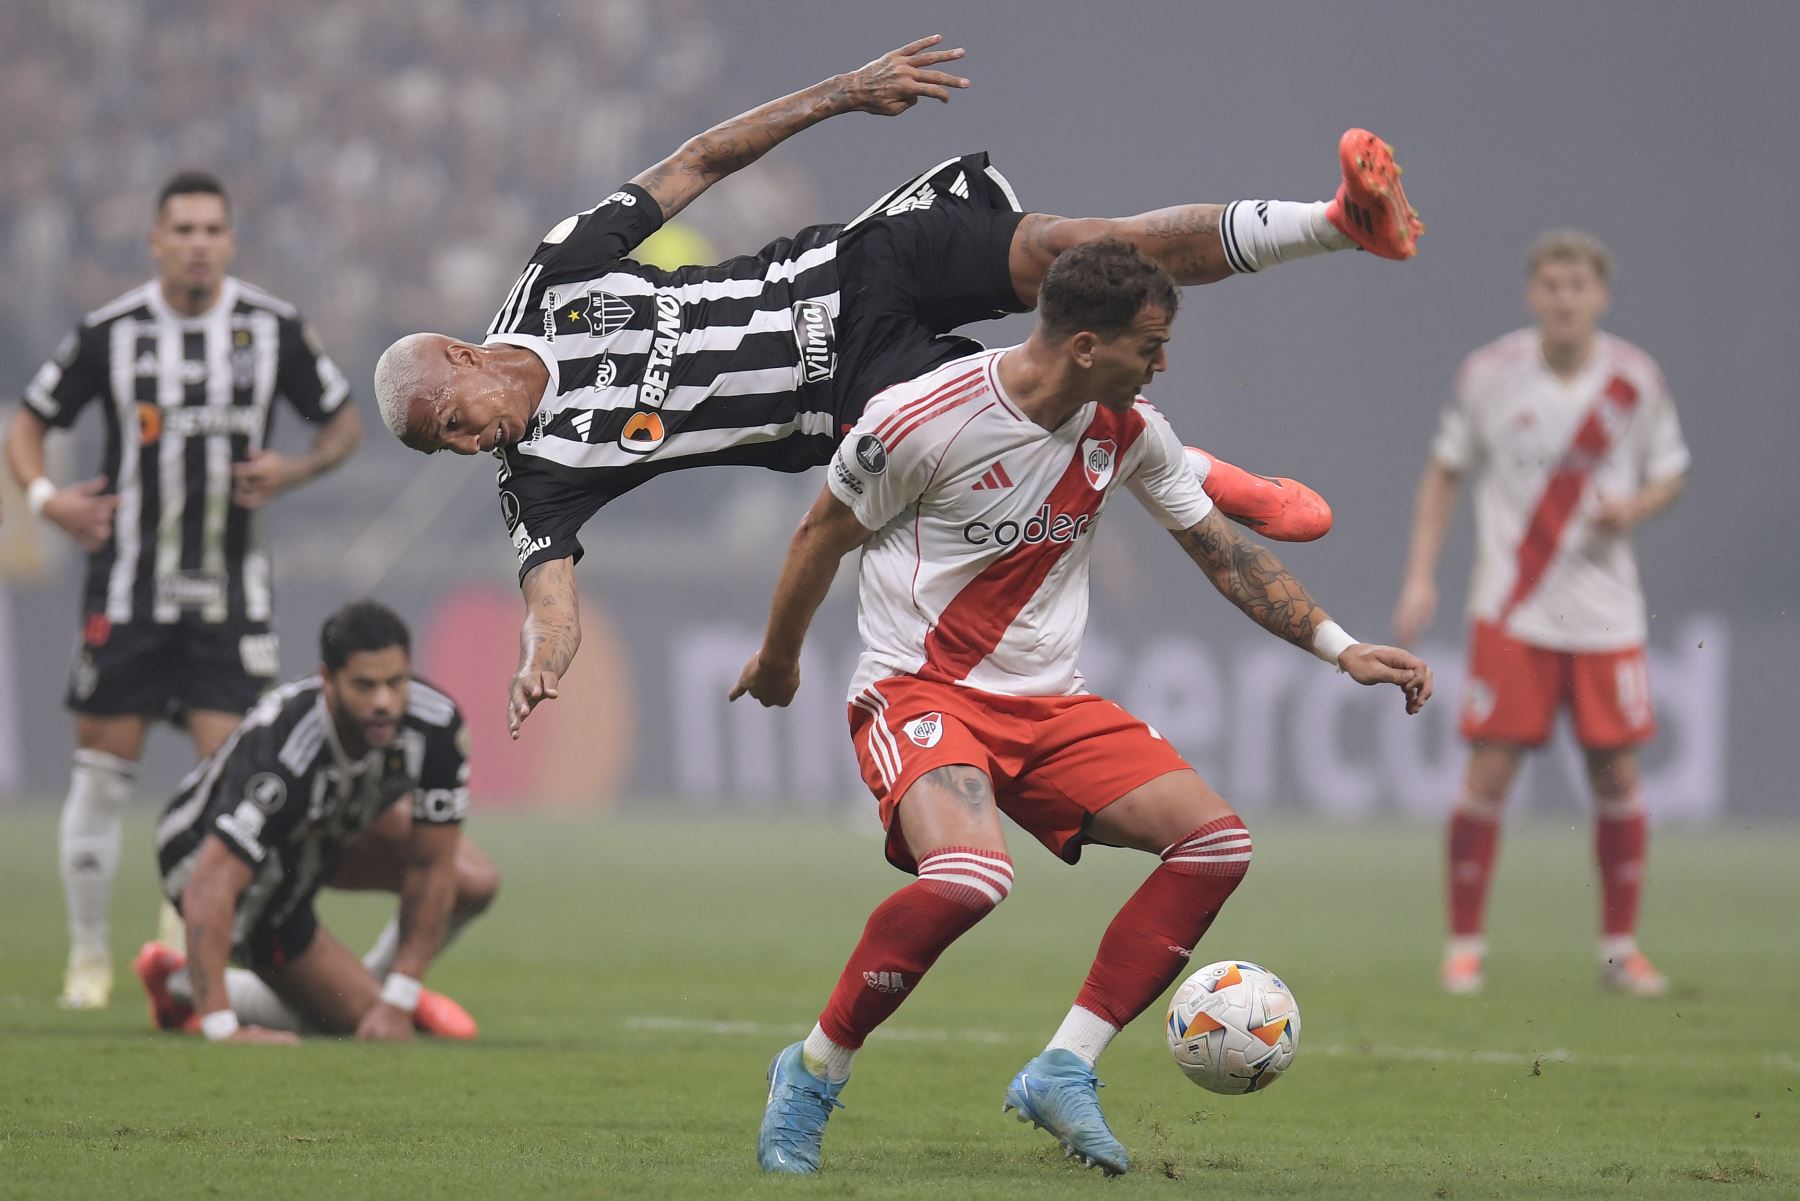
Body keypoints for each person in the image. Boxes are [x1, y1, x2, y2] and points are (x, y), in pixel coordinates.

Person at [370, 35, 1420, 738]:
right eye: (446, 448)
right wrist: (538, 660)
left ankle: (1335, 224)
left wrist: (841, 92)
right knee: (1048, 400)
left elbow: (693, 163)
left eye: (455, 423)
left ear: (463, 358)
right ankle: (1198, 473)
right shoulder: (538, 474)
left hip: (850, 265)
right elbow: (550, 597)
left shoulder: (556, 272)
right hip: (854, 392)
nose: (470, 446)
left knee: (1078, 250)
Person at [729, 241, 1432, 1176]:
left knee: (1217, 843)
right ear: (1088, 344)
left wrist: (1343, 649)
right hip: (921, 688)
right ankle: (812, 1070)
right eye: (1153, 344)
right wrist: (780, 660)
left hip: (1049, 705)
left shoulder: (1129, 426)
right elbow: (820, 533)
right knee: (972, 878)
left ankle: (1065, 1065)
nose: (1164, 362)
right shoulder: (922, 419)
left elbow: (1223, 553)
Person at [5, 170, 363, 1009]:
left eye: (213, 229)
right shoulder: (112, 331)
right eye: (184, 229)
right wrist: (44, 500)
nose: (199, 243)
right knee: (99, 777)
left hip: (229, 599)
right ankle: (88, 959)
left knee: (229, 789)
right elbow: (29, 422)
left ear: (229, 242)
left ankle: (176, 944)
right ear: (157, 241)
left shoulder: (272, 328)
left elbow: (343, 422)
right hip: (127, 592)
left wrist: (296, 468)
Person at [1391, 230, 1689, 998]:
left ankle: (1621, 949)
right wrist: (1421, 576)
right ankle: (1464, 947)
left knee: (1616, 773)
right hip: (1512, 610)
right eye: (1551, 284)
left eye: (1577, 285)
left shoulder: (1635, 380)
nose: (1563, 298)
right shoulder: (1490, 375)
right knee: (1488, 773)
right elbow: (1444, 472)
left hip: (1606, 612)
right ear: (1532, 294)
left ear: (1601, 296)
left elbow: (1671, 472)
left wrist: (1638, 505)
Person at [132, 600, 497, 1043]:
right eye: (364, 686)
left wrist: (399, 998)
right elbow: (210, 882)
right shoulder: (286, 749)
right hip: (204, 852)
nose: (383, 702)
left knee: (472, 880)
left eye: (395, 682)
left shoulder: (435, 725)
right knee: (351, 1021)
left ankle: (387, 994)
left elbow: (431, 864)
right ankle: (184, 986)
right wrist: (223, 1032)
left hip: (321, 830)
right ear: (328, 680)